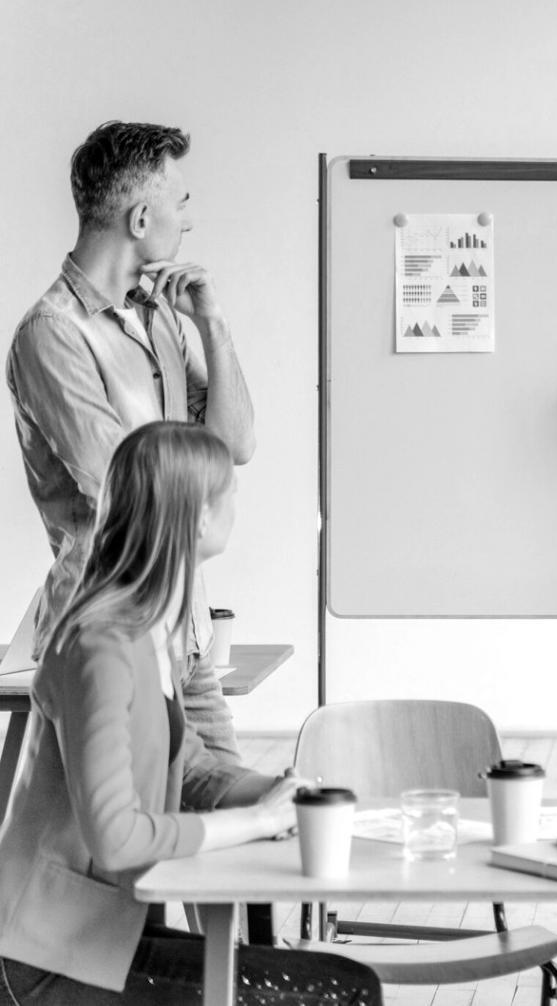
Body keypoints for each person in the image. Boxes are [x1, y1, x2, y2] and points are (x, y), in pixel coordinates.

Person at [0, 422, 380, 1005]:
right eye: (230, 491)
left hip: (102, 937)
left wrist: (279, 795)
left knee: (344, 981)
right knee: (338, 991)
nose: (238, 502)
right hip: (46, 957)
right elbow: (116, 838)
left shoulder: (149, 629)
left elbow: (192, 767)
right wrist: (256, 822)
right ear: (199, 516)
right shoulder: (101, 645)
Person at [7, 120, 254, 770]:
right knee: (128, 826)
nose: (189, 221)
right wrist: (209, 504)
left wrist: (213, 324)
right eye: (181, 202)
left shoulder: (160, 315)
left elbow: (235, 443)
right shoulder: (52, 334)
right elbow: (122, 489)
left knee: (236, 800)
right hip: (108, 639)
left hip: (184, 631)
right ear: (141, 218)